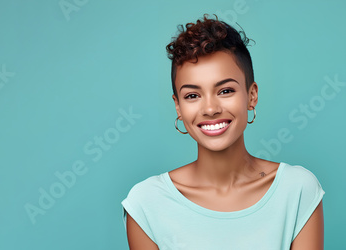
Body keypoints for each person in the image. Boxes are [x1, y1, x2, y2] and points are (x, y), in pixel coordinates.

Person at [121, 14, 325, 250]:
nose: (210, 109)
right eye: (192, 96)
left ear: (252, 95)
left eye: (225, 90)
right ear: (178, 106)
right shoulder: (147, 204)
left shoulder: (297, 190)